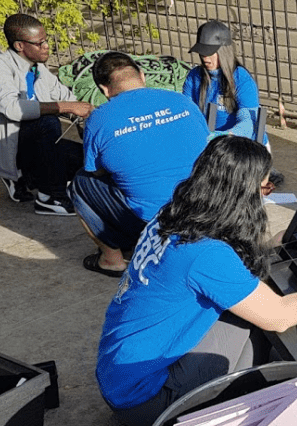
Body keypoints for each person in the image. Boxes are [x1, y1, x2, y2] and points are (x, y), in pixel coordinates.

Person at [94, 136, 297, 426]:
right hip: (146, 401)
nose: (266, 196)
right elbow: (279, 317)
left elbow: (207, 265)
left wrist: (267, 246)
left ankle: (145, 417)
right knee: (256, 325)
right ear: (242, 193)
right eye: (265, 188)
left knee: (241, 302)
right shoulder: (207, 255)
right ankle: (194, 423)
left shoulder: (170, 216)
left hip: (118, 376)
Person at [70, 52, 209, 277]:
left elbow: (95, 170)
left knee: (80, 183)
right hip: (205, 210)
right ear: (142, 76)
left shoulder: (99, 118)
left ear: (104, 89)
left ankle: (111, 260)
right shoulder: (181, 100)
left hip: (154, 220)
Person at [0, 13, 93, 215]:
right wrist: (67, 107)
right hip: (8, 143)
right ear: (19, 46)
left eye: (46, 40)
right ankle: (50, 197)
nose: (46, 46)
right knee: (48, 122)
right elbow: (12, 109)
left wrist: (90, 113)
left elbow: (66, 97)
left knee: (87, 163)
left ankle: (23, 175)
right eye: (39, 43)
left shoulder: (37, 68)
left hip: (31, 141)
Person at [183, 19, 284, 190]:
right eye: (202, 52)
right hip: (208, 142)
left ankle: (264, 171)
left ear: (224, 51)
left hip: (241, 144)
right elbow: (187, 112)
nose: (205, 57)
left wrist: (221, 136)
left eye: (211, 52)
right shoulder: (194, 76)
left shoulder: (241, 78)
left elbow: (249, 122)